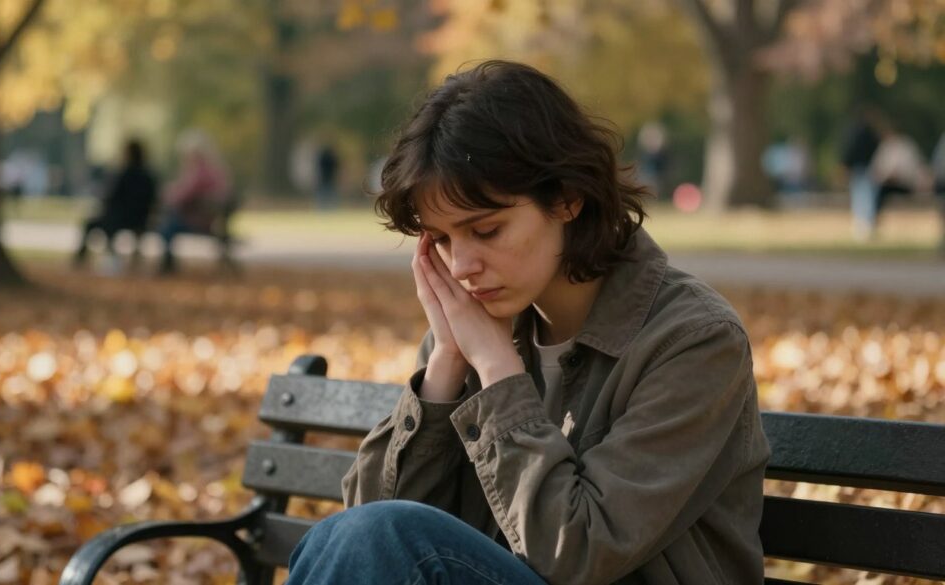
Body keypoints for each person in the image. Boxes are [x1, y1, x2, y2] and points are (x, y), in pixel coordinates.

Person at [286, 61, 770, 584]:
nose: (462, 266)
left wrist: (497, 370)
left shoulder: (693, 340)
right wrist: (446, 366)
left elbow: (578, 553)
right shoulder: (469, 334)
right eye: (443, 240)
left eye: (486, 230)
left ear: (566, 198)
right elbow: (363, 531)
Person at [72, 139, 158, 272]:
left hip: (120, 219)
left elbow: (111, 196)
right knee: (107, 220)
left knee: (92, 224)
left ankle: (82, 260)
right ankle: (114, 256)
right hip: (140, 219)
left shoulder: (124, 174)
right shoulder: (149, 176)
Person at [157, 130, 231, 274]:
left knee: (166, 226)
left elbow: (181, 196)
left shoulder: (200, 172)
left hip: (198, 221)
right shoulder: (215, 170)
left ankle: (168, 263)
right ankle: (167, 261)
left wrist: (167, 194)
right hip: (209, 220)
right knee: (168, 221)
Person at [869, 123, 928, 231]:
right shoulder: (885, 147)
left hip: (906, 184)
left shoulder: (907, 146)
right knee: (877, 191)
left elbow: (912, 168)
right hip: (888, 185)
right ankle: (874, 219)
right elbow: (876, 169)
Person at [840, 107, 883, 241]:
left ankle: (863, 226)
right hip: (864, 169)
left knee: (862, 198)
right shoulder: (868, 134)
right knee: (864, 197)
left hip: (862, 169)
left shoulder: (858, 133)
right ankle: (864, 226)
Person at [315, 144, 340, 211]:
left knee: (323, 193)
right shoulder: (332, 158)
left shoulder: (322, 158)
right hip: (330, 178)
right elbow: (337, 166)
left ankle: (322, 207)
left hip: (324, 178)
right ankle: (332, 207)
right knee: (330, 193)